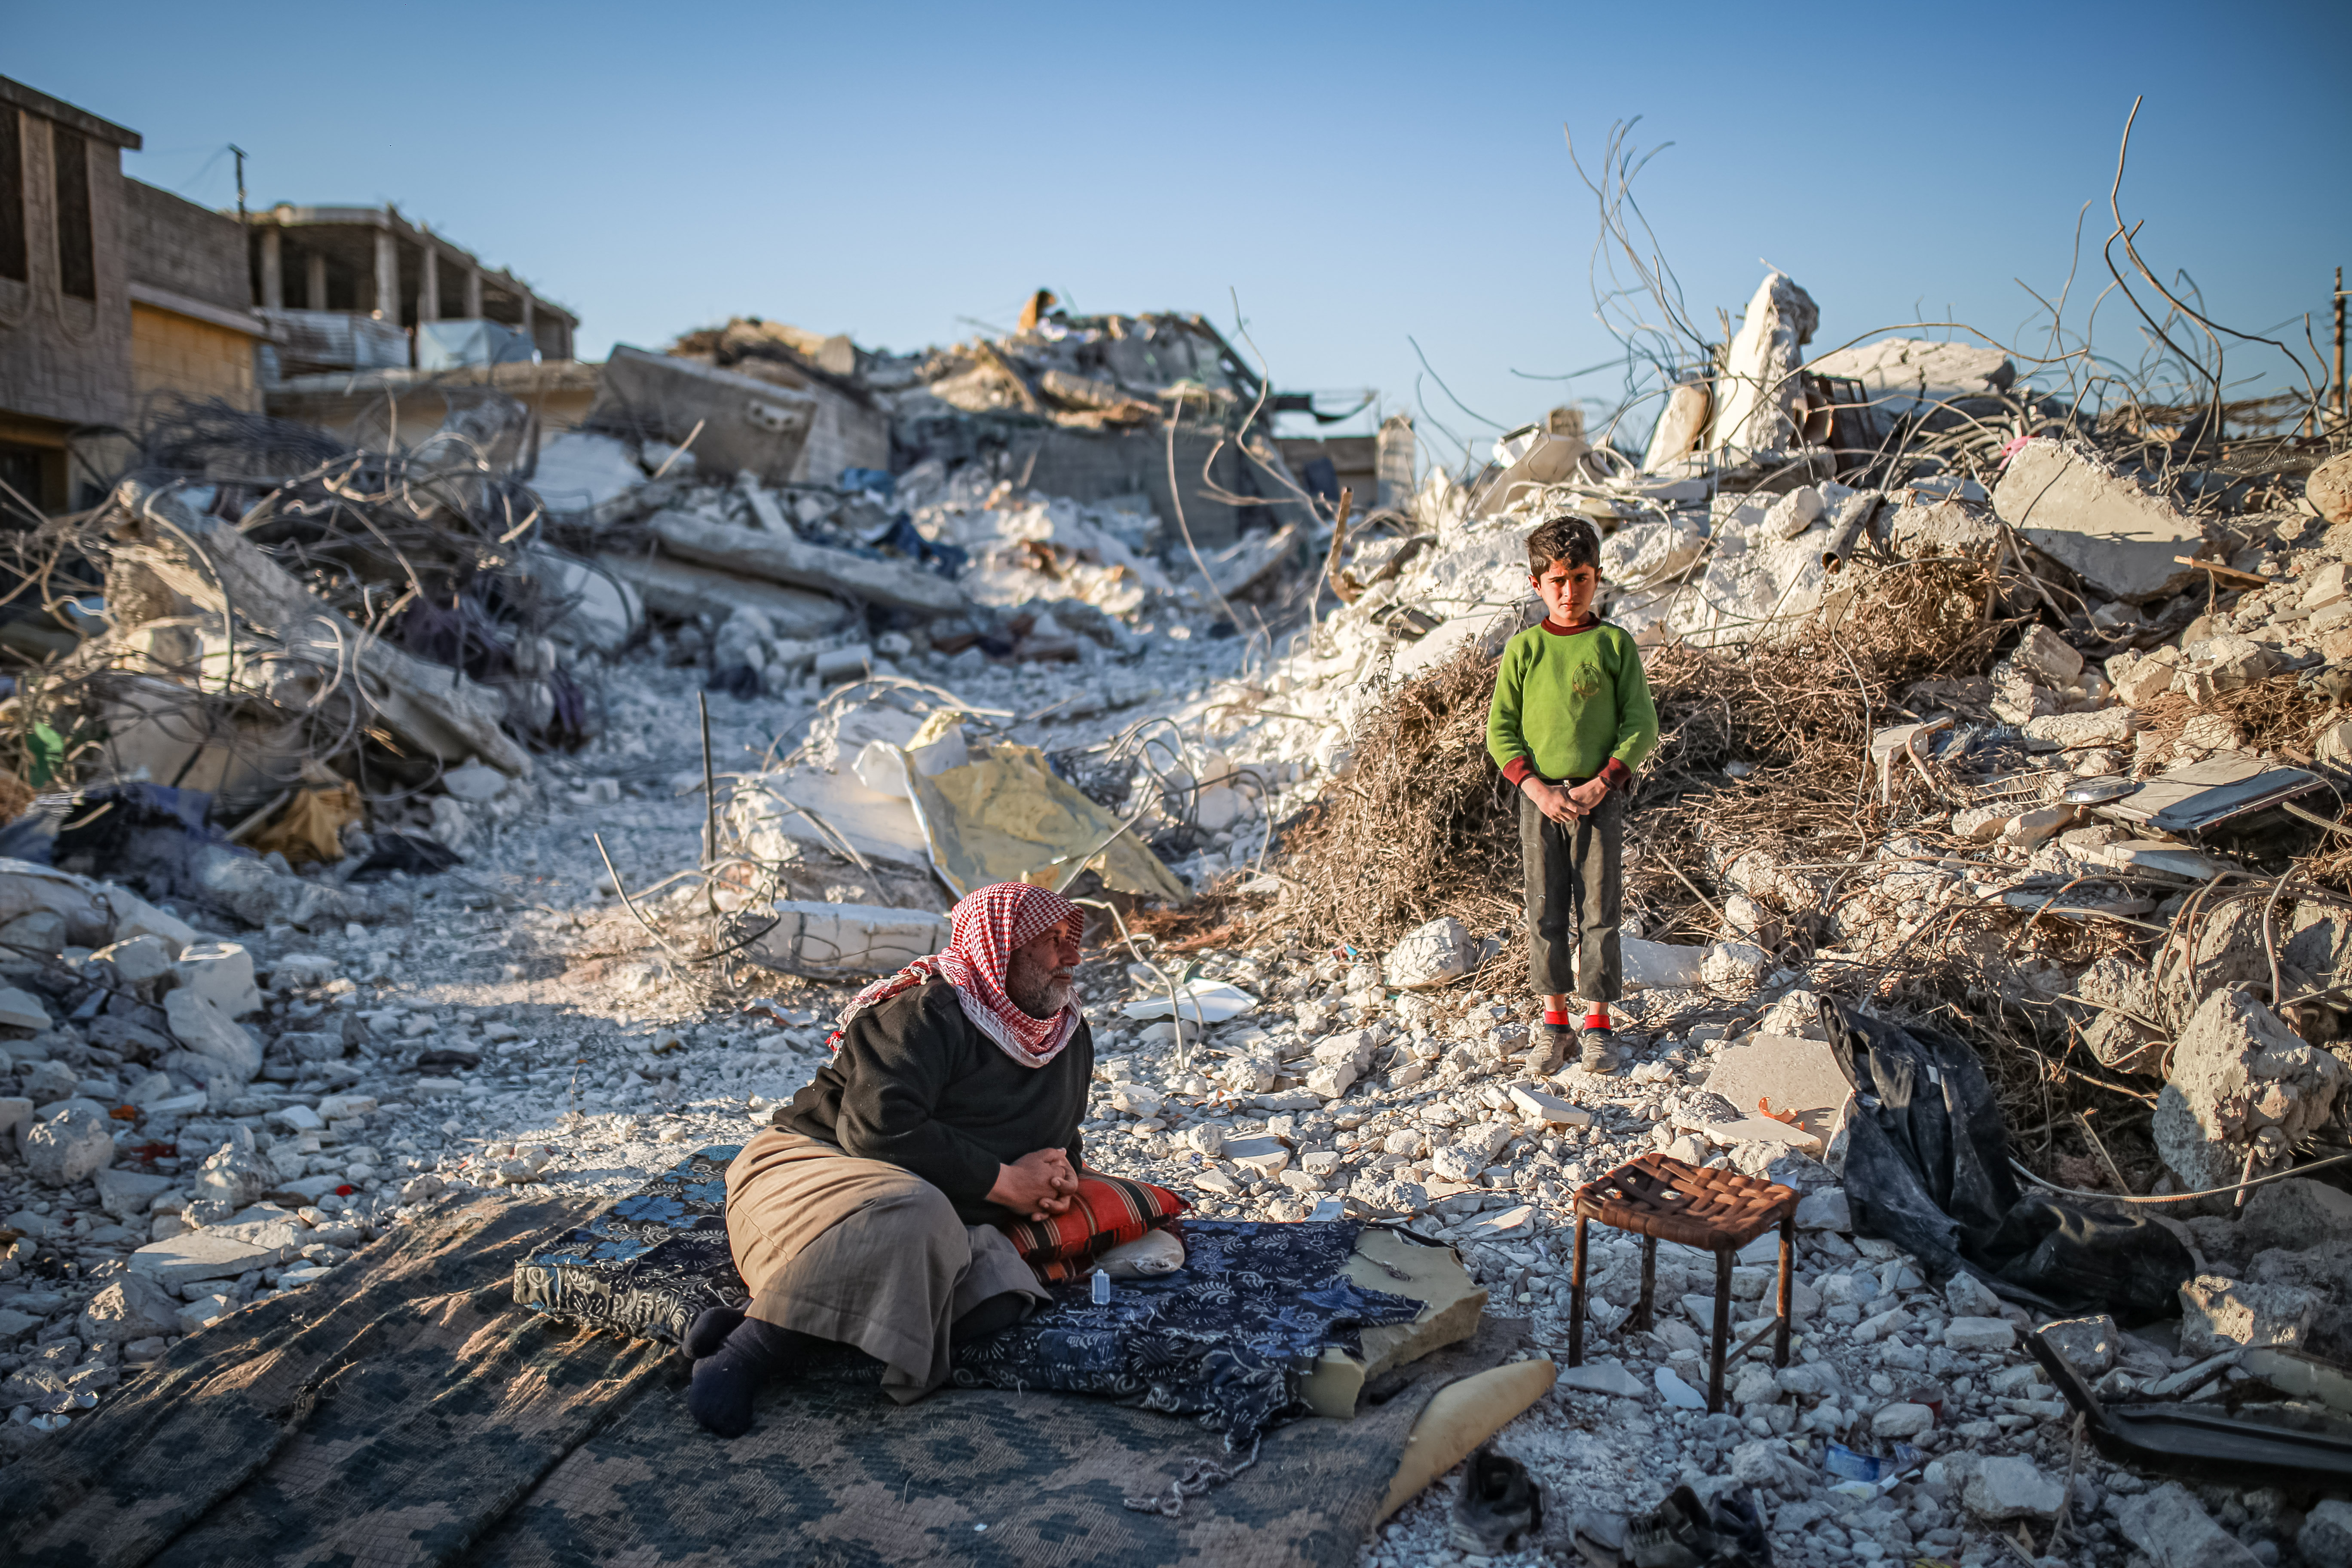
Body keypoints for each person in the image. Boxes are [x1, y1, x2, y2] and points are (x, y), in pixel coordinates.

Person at [683, 882, 1095, 1437]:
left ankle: (785, 1320)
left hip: (938, 1204)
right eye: (1052, 941)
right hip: (810, 1169)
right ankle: (748, 1350)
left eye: (1073, 940)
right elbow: (875, 1128)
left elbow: (1054, 1132)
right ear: (1003, 949)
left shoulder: (1066, 1036)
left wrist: (1059, 1174)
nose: (1072, 956)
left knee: (1002, 1293)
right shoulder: (927, 1012)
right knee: (917, 1216)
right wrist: (1004, 1182)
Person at [1485, 514, 1660, 1077]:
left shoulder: (1614, 645)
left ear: (1597, 578)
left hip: (1599, 799)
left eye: (1580, 578)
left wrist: (1604, 781)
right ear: (1536, 585)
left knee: (1600, 912)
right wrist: (1534, 787)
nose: (1568, 592)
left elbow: (1641, 724)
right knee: (1544, 911)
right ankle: (1554, 1023)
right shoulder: (1524, 650)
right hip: (1539, 802)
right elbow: (1500, 730)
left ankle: (1599, 1024)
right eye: (1556, 581)